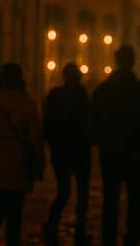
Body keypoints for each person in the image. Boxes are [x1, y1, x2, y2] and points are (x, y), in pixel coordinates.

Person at [92, 45, 140, 246]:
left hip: (110, 152)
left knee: (110, 198)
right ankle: (132, 235)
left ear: (116, 61)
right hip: (135, 152)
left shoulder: (103, 90)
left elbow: (93, 121)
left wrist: (101, 141)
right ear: (133, 61)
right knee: (135, 199)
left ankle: (109, 237)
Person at [0, 63, 45, 246]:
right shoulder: (26, 104)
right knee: (15, 210)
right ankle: (8, 240)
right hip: (18, 164)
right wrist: (39, 162)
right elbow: (34, 137)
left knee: (0, 204)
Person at [43, 63, 91, 246]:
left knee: (63, 190)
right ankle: (80, 228)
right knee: (82, 192)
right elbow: (89, 121)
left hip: (61, 151)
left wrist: (53, 144)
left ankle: (52, 222)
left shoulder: (55, 95)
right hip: (80, 151)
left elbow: (47, 124)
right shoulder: (83, 96)